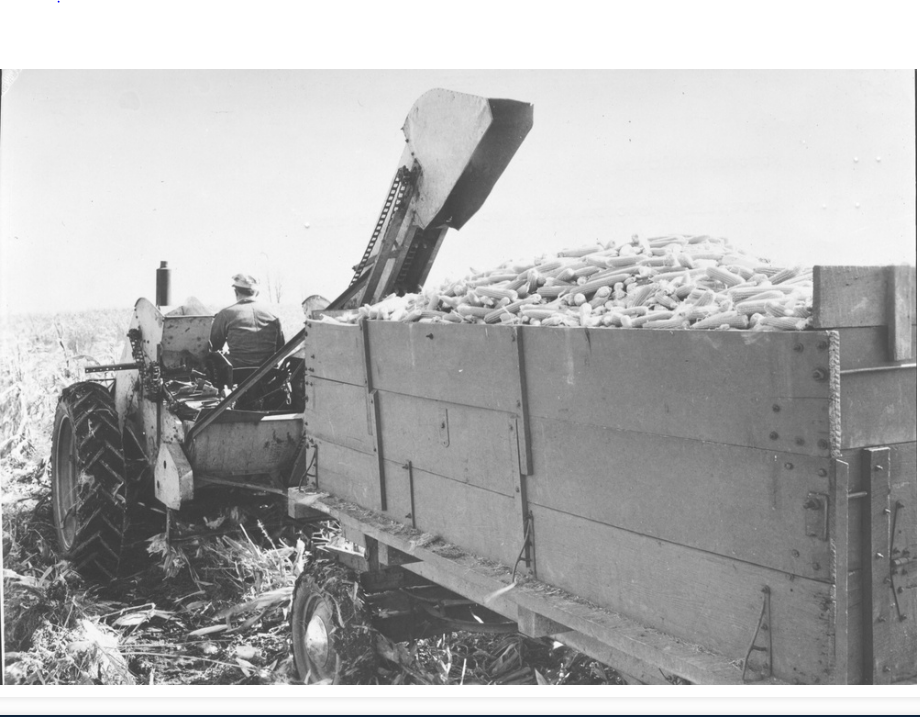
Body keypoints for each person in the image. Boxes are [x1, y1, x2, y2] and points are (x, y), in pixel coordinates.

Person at [209, 274, 285, 372]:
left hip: (237, 373)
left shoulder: (225, 314)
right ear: (256, 293)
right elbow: (280, 348)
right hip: (268, 373)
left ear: (236, 292)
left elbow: (213, 346)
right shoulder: (273, 315)